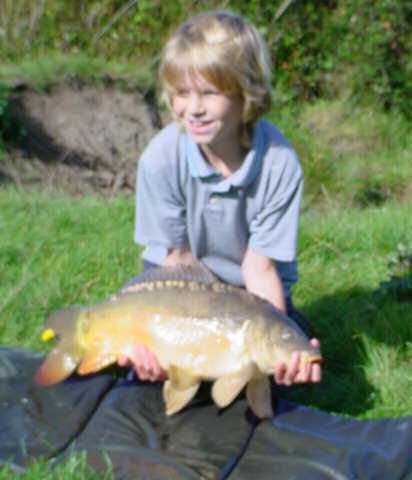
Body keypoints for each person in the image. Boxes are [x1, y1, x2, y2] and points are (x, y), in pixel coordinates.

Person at [118, 10, 322, 387]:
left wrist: (271, 345)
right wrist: (170, 345)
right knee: (149, 373)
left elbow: (259, 270)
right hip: (178, 293)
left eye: (209, 93)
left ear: (247, 94)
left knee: (273, 370)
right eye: (181, 93)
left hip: (248, 299)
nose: (193, 108)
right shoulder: (161, 158)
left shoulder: (279, 163)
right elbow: (176, 262)